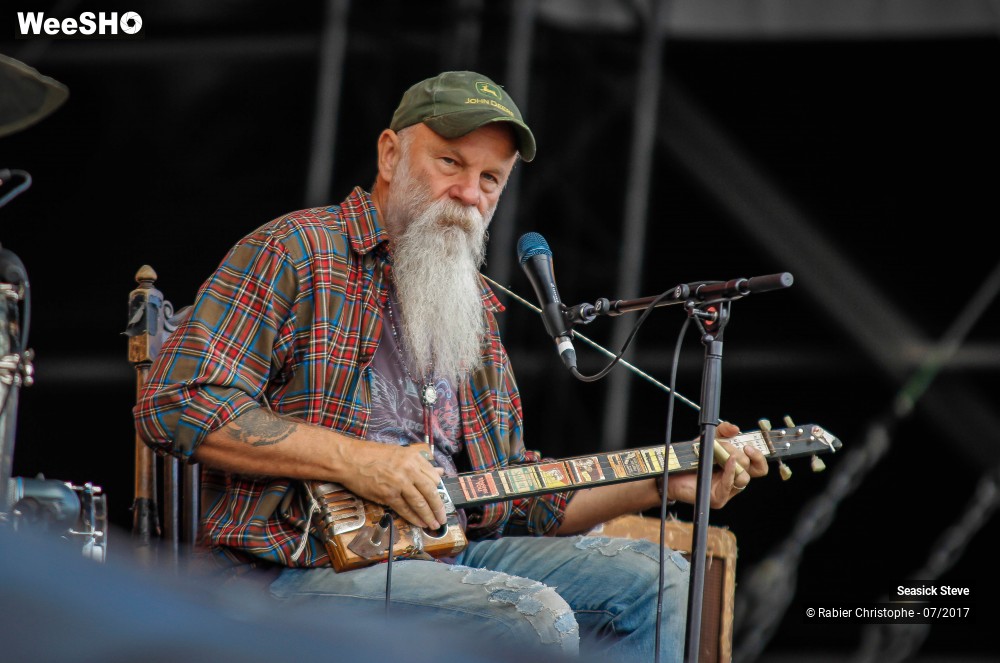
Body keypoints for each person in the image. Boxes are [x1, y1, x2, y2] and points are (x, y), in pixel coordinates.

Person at [134, 70, 768, 661]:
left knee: (665, 582)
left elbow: (521, 498)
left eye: (491, 179)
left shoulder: (475, 306)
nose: (469, 193)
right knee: (531, 616)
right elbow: (178, 402)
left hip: (452, 556)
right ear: (390, 155)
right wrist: (360, 462)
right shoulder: (295, 252)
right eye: (450, 164)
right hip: (288, 574)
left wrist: (663, 482)